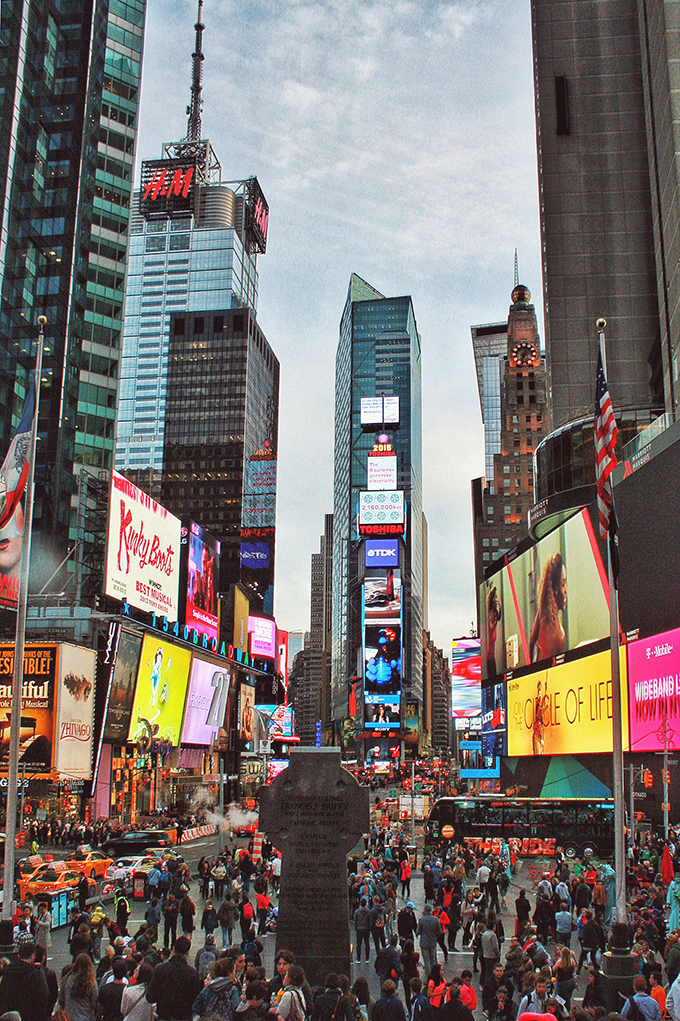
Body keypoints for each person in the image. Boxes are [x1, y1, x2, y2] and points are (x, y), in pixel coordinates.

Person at [146, 935, 203, 1021]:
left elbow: (150, 996)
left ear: (173, 949)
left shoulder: (160, 969)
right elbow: (195, 1000)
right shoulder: (192, 973)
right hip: (183, 1016)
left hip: (164, 1015)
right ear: (188, 952)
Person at [530, 553, 567, 662]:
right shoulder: (558, 634)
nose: (566, 591)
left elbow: (532, 641)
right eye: (563, 584)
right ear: (555, 589)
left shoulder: (543, 612)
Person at [0, 940, 48, 1021]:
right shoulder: (36, 974)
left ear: (18, 956)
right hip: (30, 1016)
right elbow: (42, 998)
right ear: (32, 957)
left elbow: (2, 993)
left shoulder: (9, 971)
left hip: (10, 1015)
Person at [59, 951, 99, 1021]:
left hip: (69, 1016)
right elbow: (94, 1003)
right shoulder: (91, 983)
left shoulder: (66, 980)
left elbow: (61, 999)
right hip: (86, 1017)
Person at [416, 904, 440, 978]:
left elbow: (418, 932)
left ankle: (429, 977)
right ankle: (435, 976)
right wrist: (435, 937)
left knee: (426, 961)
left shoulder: (421, 920)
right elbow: (439, 931)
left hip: (424, 943)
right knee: (433, 960)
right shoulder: (435, 919)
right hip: (432, 942)